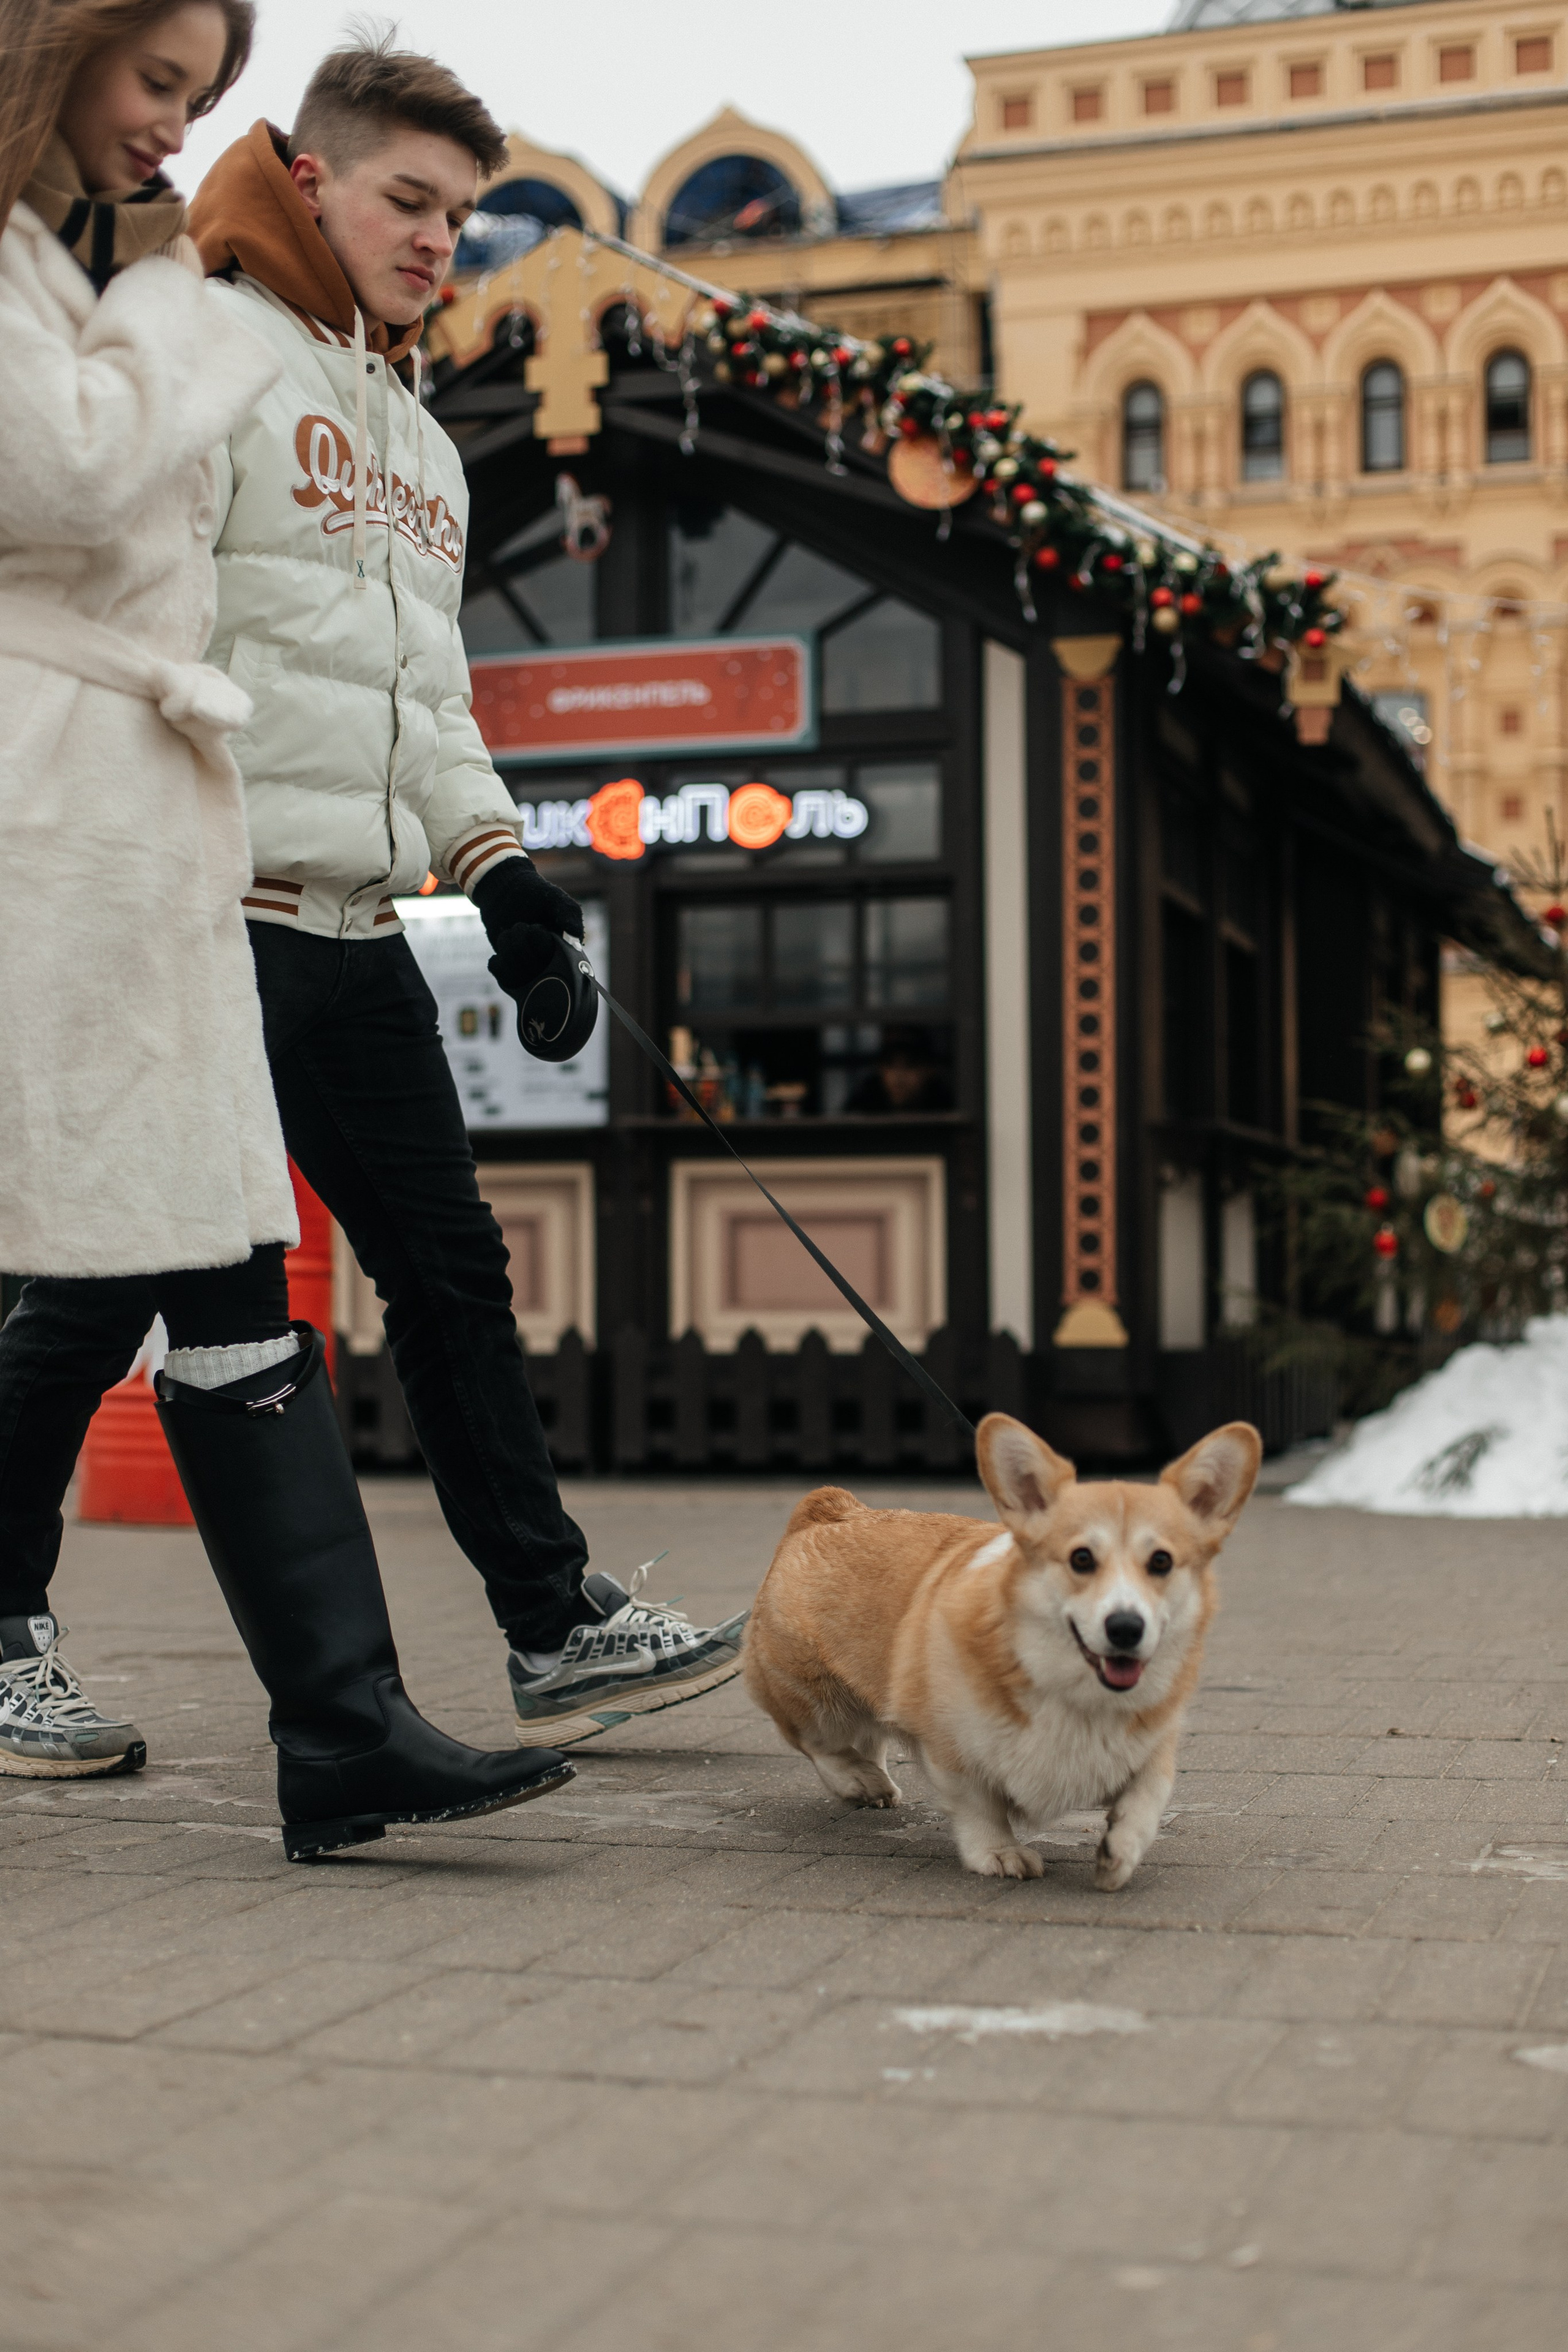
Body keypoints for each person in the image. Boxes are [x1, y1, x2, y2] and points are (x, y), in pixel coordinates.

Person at [0, 30, 746, 1768]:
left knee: (450, 1274)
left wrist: (505, 876)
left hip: (350, 924)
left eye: (465, 219)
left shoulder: (422, 434)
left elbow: (425, 700)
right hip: (211, 910)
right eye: (410, 200)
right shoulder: (207, 356)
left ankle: (552, 1624)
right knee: (119, 1292)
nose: (439, 241)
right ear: (311, 173)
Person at [846, 1027, 955, 1115]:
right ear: (880, 1069)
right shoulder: (865, 1103)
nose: (899, 1077)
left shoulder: (946, 1108)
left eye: (910, 1065)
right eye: (891, 1065)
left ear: (930, 1070)